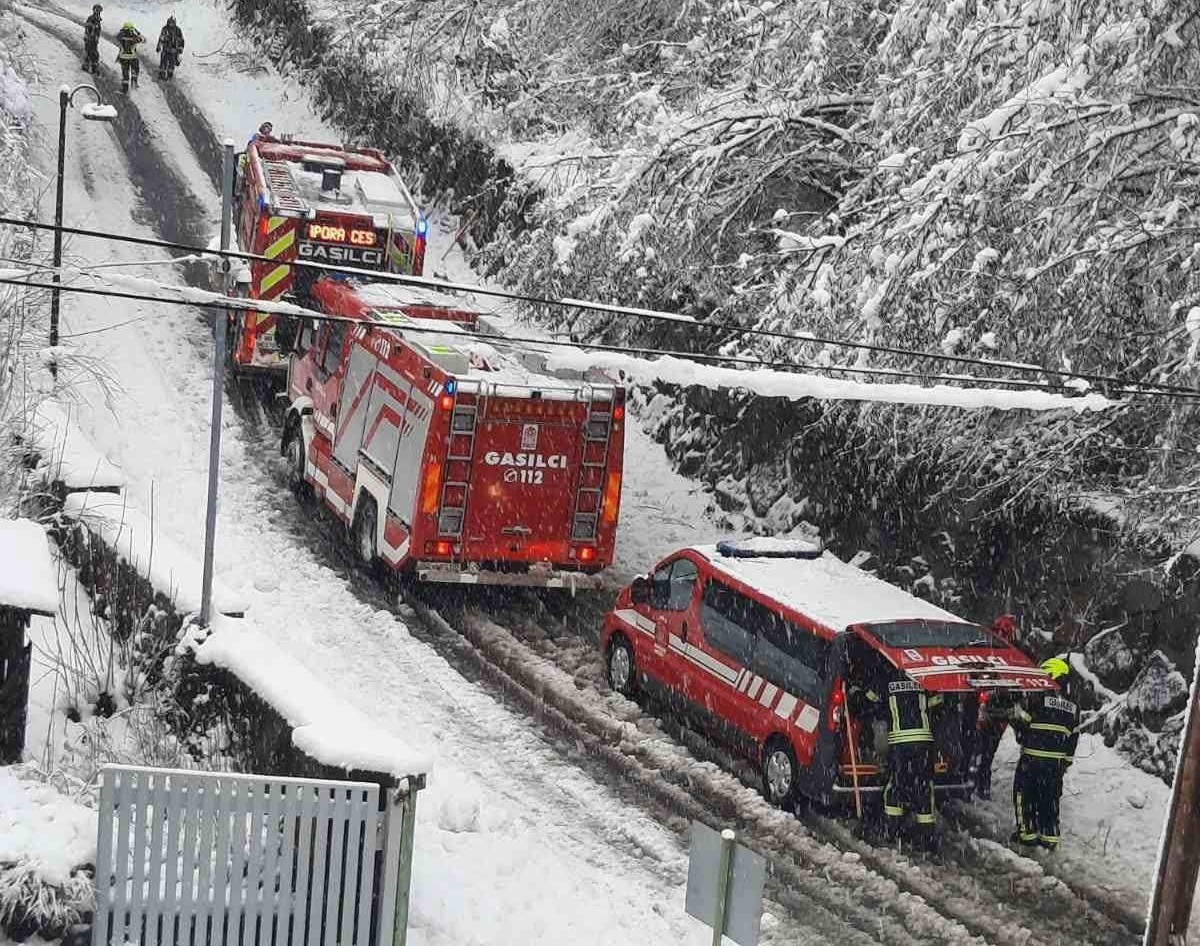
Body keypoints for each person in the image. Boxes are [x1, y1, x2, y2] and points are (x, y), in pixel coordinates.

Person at [859, 665, 943, 851]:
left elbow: (867, 702)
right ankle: (926, 835)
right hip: (923, 740)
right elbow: (938, 703)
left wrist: (857, 693)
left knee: (896, 785)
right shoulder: (922, 677)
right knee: (924, 786)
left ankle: (892, 830)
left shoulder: (885, 679)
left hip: (900, 741)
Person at [1009, 657, 1079, 851]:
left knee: (1024, 795)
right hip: (1055, 765)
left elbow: (1023, 725)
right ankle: (1050, 837)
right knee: (1050, 799)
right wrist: (1065, 762)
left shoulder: (1037, 698)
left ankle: (1026, 834)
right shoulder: (1073, 706)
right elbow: (1074, 737)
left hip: (1032, 759)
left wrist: (1013, 717)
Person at [972, 614, 1020, 798]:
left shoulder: (1015, 653)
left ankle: (982, 784)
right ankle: (976, 782)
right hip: (980, 707)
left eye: (1004, 632)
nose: (1001, 635)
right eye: (998, 631)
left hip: (997, 711)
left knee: (986, 753)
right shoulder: (983, 648)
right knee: (976, 749)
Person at [115, 22, 145, 93]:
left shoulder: (120, 36)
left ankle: (125, 89)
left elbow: (117, 36)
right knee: (135, 70)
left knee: (125, 73)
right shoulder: (134, 37)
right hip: (133, 57)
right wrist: (137, 32)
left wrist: (122, 30)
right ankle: (134, 82)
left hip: (123, 57)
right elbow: (143, 39)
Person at [82, 5, 102, 73]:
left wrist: (96, 37)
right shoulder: (91, 18)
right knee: (89, 52)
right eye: (96, 9)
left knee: (93, 53)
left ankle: (93, 67)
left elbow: (98, 30)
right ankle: (87, 66)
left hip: (94, 40)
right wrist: (88, 35)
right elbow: (87, 27)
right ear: (94, 10)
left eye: (99, 10)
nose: (97, 11)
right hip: (90, 39)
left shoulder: (98, 19)